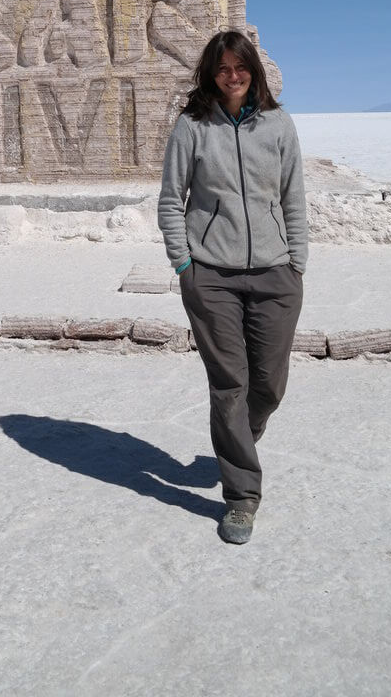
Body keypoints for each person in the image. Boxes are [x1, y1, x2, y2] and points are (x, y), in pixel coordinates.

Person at [158, 30, 307, 545]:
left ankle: (241, 434)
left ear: (253, 70)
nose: (232, 76)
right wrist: (184, 265)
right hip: (212, 276)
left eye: (240, 67)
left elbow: (294, 199)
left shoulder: (279, 125)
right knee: (230, 386)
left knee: (268, 383)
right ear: (210, 74)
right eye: (222, 69)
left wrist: (297, 263)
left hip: (275, 272)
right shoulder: (192, 126)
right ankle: (241, 496)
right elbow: (170, 200)